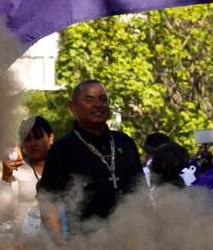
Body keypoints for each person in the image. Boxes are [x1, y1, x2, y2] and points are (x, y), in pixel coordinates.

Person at [37, 80, 142, 236]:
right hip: (86, 247)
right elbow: (49, 203)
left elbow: (141, 192)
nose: (98, 105)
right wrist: (59, 247)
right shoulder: (63, 149)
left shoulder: (125, 142)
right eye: (89, 100)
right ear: (73, 107)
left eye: (103, 99)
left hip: (132, 242)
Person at [0, 116, 55, 234]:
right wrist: (6, 177)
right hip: (25, 246)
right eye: (27, 139)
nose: (33, 143)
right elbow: (1, 216)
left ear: (50, 138)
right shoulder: (16, 171)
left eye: (38, 137)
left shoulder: (63, 167)